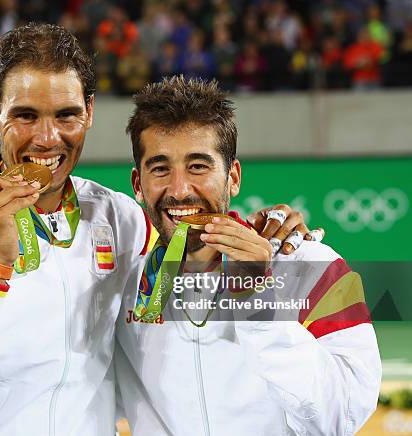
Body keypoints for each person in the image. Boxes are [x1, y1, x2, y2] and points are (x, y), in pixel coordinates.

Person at [0, 24, 319, 435]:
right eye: (25, 115)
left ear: (88, 112)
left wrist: (267, 229)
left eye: (65, 115)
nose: (47, 138)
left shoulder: (118, 217)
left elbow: (187, 228)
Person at [115, 76, 381, 435]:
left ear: (233, 178)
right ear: (138, 185)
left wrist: (257, 297)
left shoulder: (312, 267)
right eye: (160, 168)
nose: (179, 190)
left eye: (198, 166)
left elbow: (341, 417)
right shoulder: (124, 289)